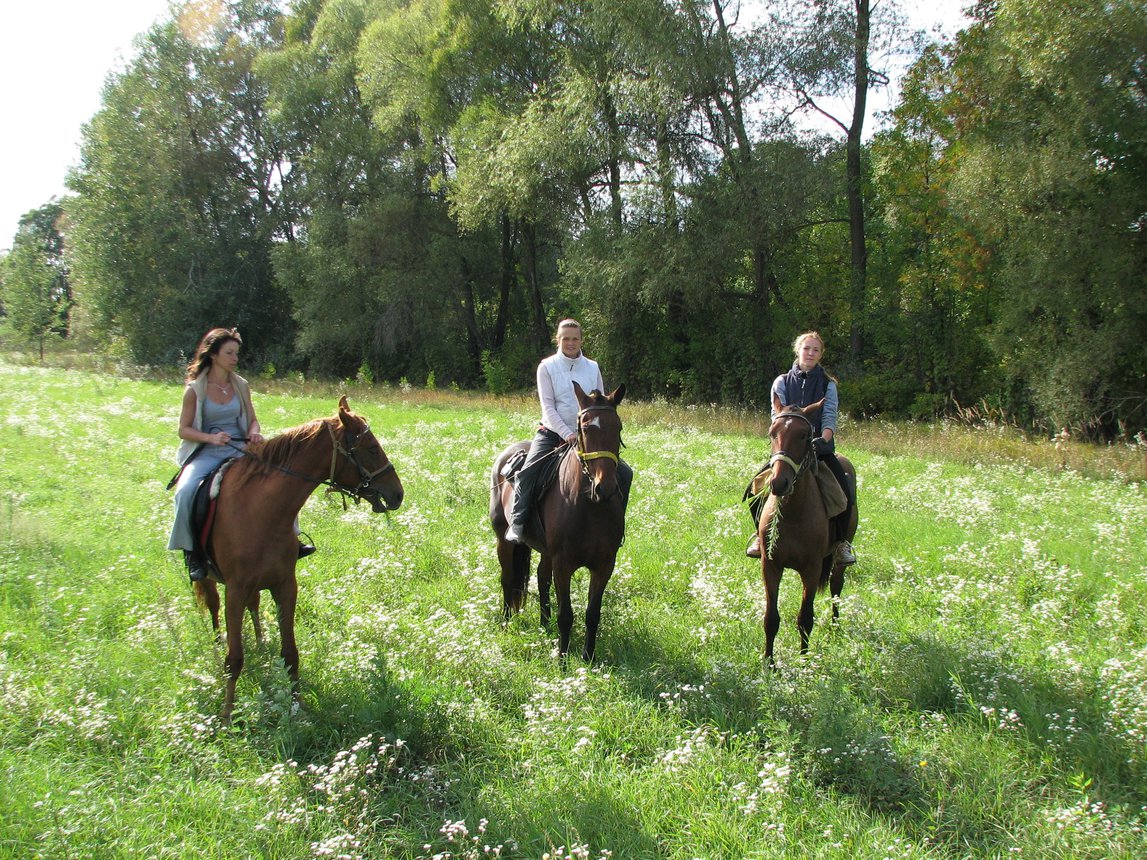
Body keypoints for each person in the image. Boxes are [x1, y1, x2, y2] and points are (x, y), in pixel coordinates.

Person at [166, 327, 314, 582]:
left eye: (236, 353)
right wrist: (211, 437)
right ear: (213, 355)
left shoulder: (241, 385)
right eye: (229, 353)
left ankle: (293, 540)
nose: (235, 358)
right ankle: (193, 554)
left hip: (242, 450)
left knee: (280, 480)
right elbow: (183, 429)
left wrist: (254, 434)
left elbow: (253, 421)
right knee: (185, 491)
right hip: (207, 452)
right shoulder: (195, 390)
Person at [503, 318, 632, 544]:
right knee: (528, 472)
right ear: (558, 340)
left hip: (588, 435)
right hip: (552, 432)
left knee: (625, 473)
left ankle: (615, 527)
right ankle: (518, 522)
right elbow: (548, 407)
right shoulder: (547, 367)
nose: (570, 343)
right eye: (566, 339)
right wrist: (567, 433)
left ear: (581, 340)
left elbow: (599, 403)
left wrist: (590, 433)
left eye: (575, 338)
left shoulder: (592, 367)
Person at [745, 330, 857, 564]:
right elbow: (778, 415)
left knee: (845, 490)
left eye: (816, 349)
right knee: (755, 491)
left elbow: (829, 417)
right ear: (798, 350)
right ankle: (759, 535)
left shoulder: (828, 385)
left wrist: (823, 439)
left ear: (821, 354)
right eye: (807, 348)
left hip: (819, 449)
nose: (811, 353)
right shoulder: (782, 381)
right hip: (788, 450)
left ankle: (842, 544)